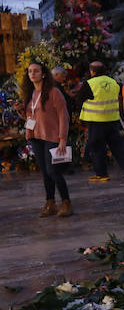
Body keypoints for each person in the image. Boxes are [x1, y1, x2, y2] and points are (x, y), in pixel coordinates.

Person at [15, 62, 72, 217]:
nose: (32, 74)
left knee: (54, 171)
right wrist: (21, 110)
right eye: (30, 72)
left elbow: (63, 116)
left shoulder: (54, 92)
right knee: (45, 173)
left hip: (53, 136)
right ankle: (50, 203)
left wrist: (62, 139)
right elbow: (31, 117)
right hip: (36, 137)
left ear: (44, 74)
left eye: (36, 71)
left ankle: (66, 202)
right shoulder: (31, 93)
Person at [81, 61, 124, 182]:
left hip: (96, 120)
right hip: (112, 119)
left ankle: (102, 174)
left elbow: (79, 98)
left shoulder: (90, 83)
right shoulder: (113, 82)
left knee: (98, 147)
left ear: (92, 71)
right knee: (117, 145)